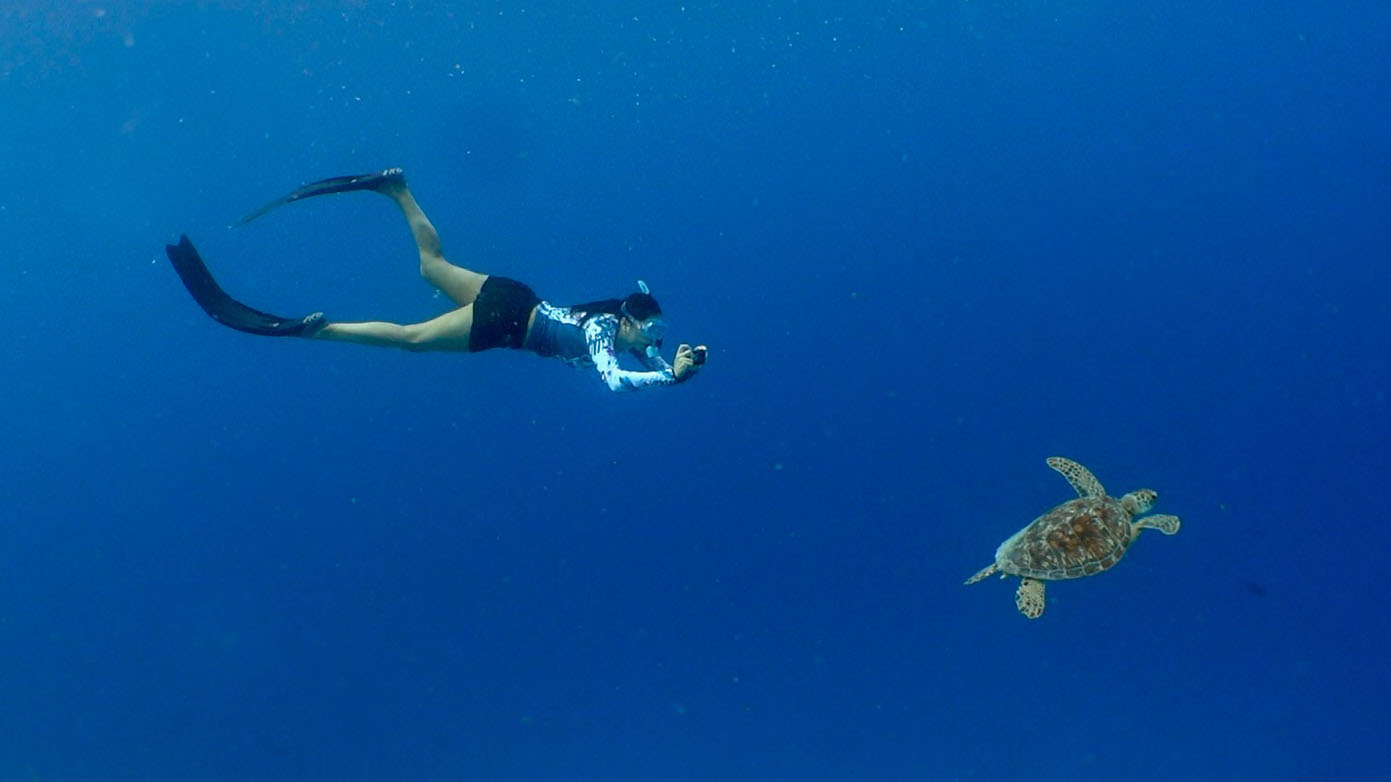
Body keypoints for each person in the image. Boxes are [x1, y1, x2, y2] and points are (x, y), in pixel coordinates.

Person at [165, 168, 707, 391]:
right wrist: (669, 378)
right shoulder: (601, 334)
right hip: (509, 321)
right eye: (651, 333)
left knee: (431, 266)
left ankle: (394, 187)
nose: (653, 343)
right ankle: (317, 328)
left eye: (657, 337)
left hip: (517, 295)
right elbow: (614, 379)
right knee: (412, 340)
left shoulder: (618, 321)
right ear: (630, 321)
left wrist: (670, 364)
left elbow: (643, 358)